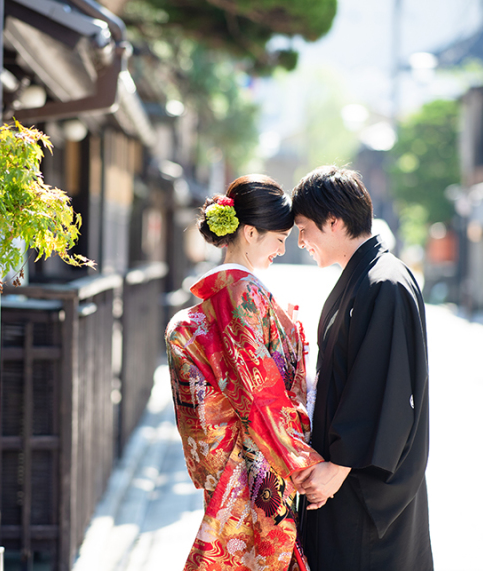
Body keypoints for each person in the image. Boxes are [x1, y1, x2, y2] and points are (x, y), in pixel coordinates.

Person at [165, 175, 323, 571]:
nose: (283, 249)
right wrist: (304, 460)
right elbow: (260, 393)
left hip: (235, 457)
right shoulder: (243, 294)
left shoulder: (224, 293)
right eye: (279, 238)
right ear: (250, 232)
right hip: (254, 457)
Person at [290, 166, 433, 570]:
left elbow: (384, 387)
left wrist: (339, 466)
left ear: (333, 222)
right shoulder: (364, 278)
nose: (301, 241)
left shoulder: (384, 283)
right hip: (345, 481)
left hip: (365, 489)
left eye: (305, 229)